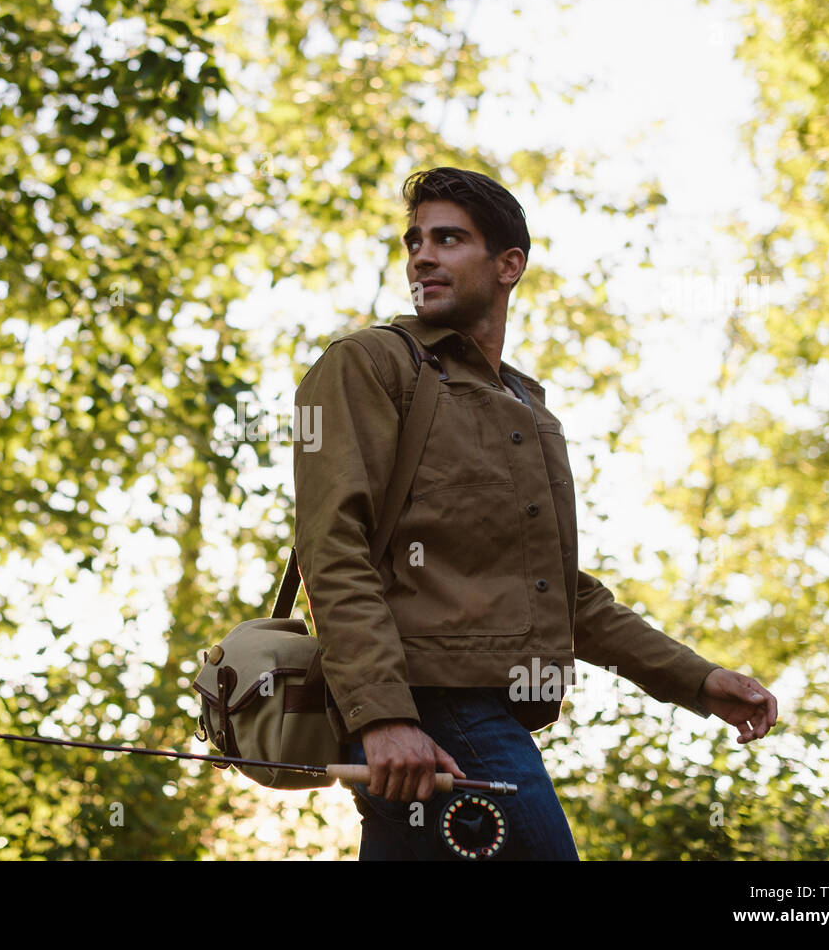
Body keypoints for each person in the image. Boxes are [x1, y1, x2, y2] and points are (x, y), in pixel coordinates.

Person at [291, 166, 779, 860]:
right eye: (414, 241)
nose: (421, 256)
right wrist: (384, 715)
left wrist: (698, 680)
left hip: (468, 719)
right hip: (434, 706)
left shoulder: (527, 404)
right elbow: (330, 544)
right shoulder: (366, 363)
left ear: (508, 265)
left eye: (449, 238)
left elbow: (561, 591)